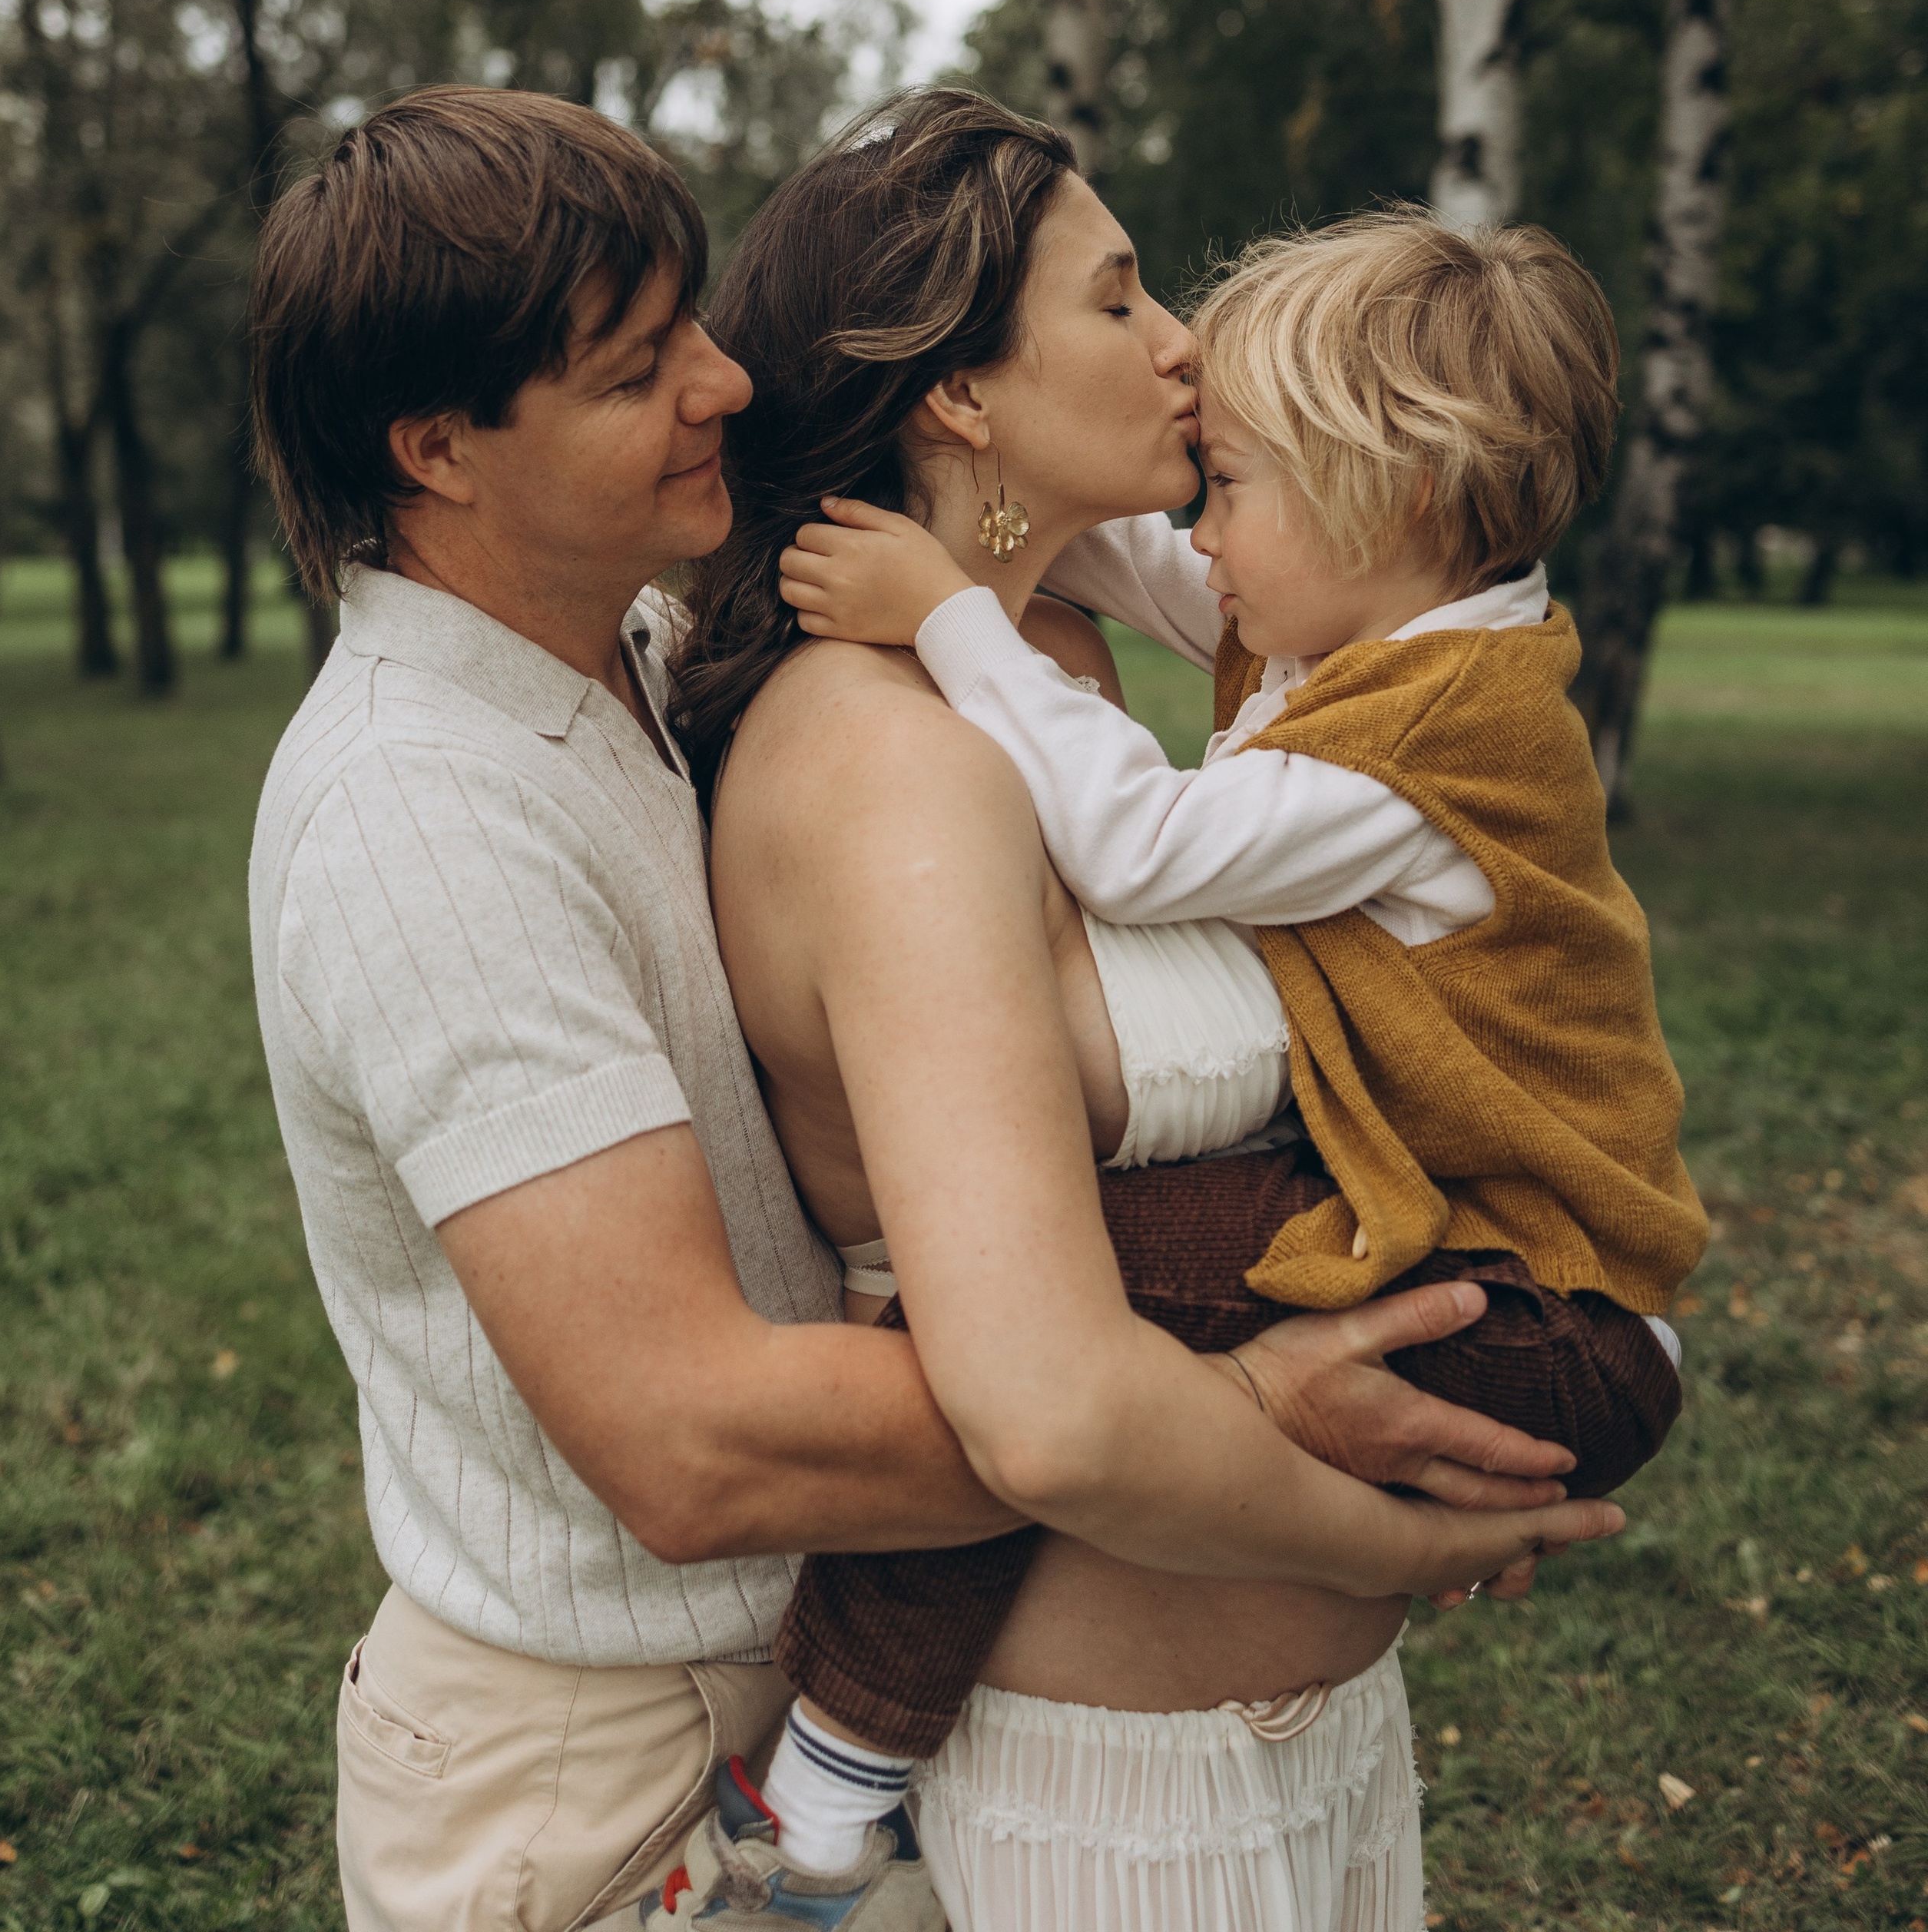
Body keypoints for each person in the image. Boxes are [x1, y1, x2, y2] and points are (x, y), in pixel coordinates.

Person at [244, 88, 1613, 1932]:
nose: (724, 384)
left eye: (708, 332)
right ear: (440, 451)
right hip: (618, 1768)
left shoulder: (681, 661)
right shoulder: (437, 807)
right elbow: (705, 1435)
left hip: (1130, 1710)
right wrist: (1285, 1443)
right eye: (641, 367)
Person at [668, 94, 1625, 1932]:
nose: (1181, 343)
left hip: (1300, 1741)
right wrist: (1416, 1537)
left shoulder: (1057, 646)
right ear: (958, 391)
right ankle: (831, 1782)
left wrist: (977, 577)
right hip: (1128, 1790)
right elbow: (1040, 1399)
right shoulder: (898, 755)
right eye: (1117, 302)